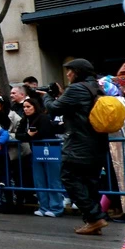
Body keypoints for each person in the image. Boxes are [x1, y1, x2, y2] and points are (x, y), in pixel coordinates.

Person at [45, 58, 109, 235]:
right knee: (90, 183)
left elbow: (55, 108)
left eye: (70, 70)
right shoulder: (97, 87)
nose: (67, 74)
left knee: (69, 179)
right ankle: (92, 222)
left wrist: (49, 97)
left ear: (78, 72)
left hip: (79, 144)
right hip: (98, 144)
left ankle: (95, 217)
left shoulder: (77, 88)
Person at [16, 97, 65, 217]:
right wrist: (28, 135)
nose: (26, 109)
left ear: (35, 107)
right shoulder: (24, 120)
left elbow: (44, 132)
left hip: (50, 150)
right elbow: (18, 134)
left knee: (53, 180)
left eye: (28, 107)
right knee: (40, 180)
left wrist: (28, 136)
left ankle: (56, 207)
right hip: (37, 152)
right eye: (24, 107)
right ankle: (44, 207)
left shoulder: (43, 118)